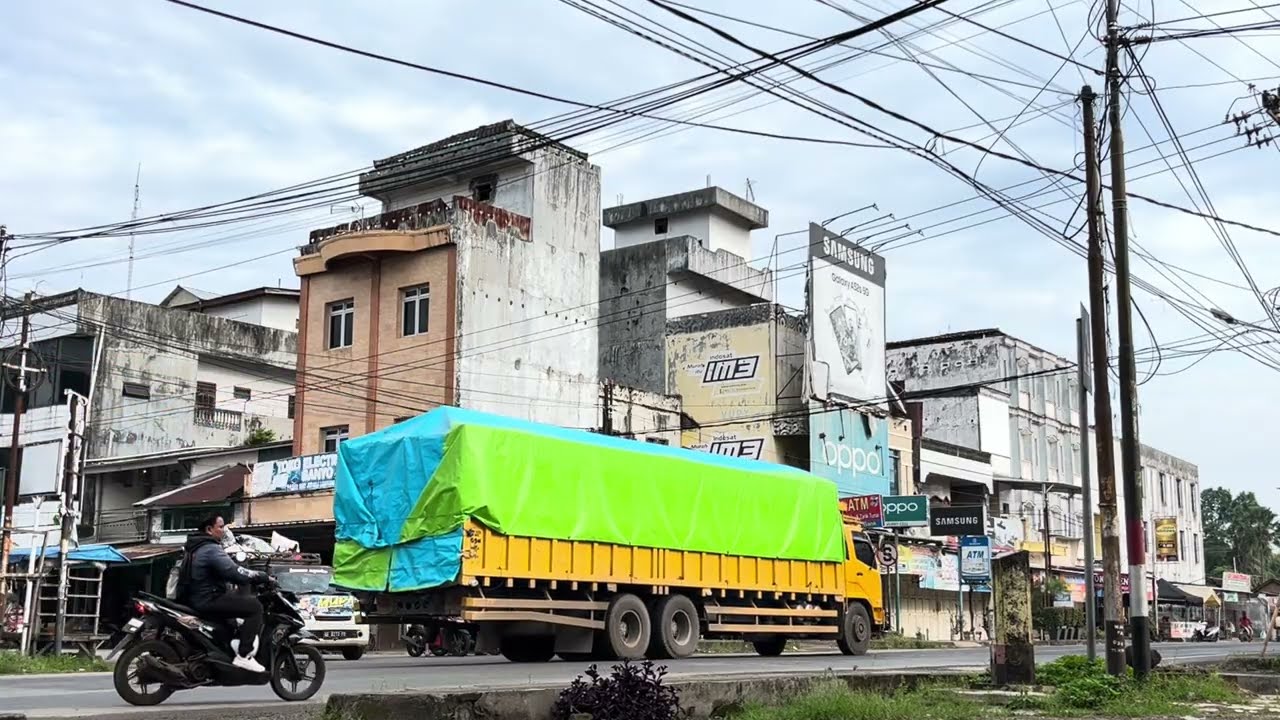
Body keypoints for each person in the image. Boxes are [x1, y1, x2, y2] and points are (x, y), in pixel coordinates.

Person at [182, 514, 271, 673]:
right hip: (208, 599)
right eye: (221, 527)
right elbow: (234, 571)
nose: (224, 531)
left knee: (236, 606)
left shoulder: (195, 547)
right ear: (209, 529)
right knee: (255, 608)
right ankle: (244, 656)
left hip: (196, 598)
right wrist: (261, 576)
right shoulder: (210, 548)